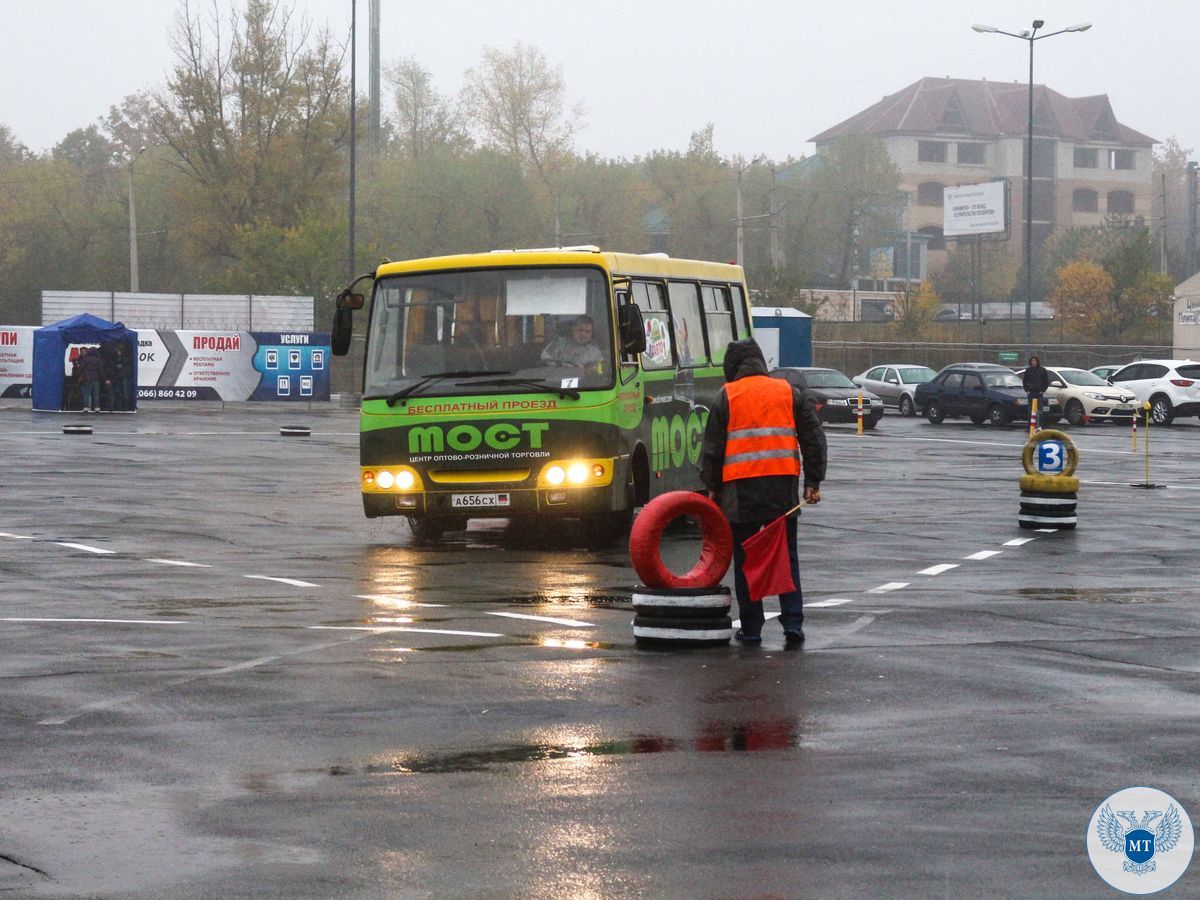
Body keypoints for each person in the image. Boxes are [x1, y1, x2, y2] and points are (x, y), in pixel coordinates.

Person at [700, 338, 827, 647]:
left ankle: (752, 627)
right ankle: (793, 624)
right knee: (786, 557)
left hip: (740, 494)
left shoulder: (726, 397)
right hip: (782, 491)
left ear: (732, 367)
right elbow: (813, 437)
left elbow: (713, 450)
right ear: (759, 361)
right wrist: (813, 481)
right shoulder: (788, 392)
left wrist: (712, 490)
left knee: (747, 561)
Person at [1023, 355, 1051, 428]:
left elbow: (1046, 381)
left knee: (1040, 410)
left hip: (1039, 393)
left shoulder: (1042, 370)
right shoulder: (1028, 370)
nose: (1033, 362)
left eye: (1035, 361)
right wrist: (1027, 390)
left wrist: (1043, 390)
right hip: (1031, 393)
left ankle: (1040, 425)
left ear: (1037, 361)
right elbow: (1024, 381)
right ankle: (1030, 425)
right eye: (1032, 361)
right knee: (1030, 410)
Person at [77, 347, 107, 413]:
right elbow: (101, 370)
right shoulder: (99, 360)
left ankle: (86, 407)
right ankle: (97, 407)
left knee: (87, 393)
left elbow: (81, 367)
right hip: (96, 378)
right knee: (96, 394)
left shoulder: (85, 359)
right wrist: (104, 379)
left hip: (87, 378)